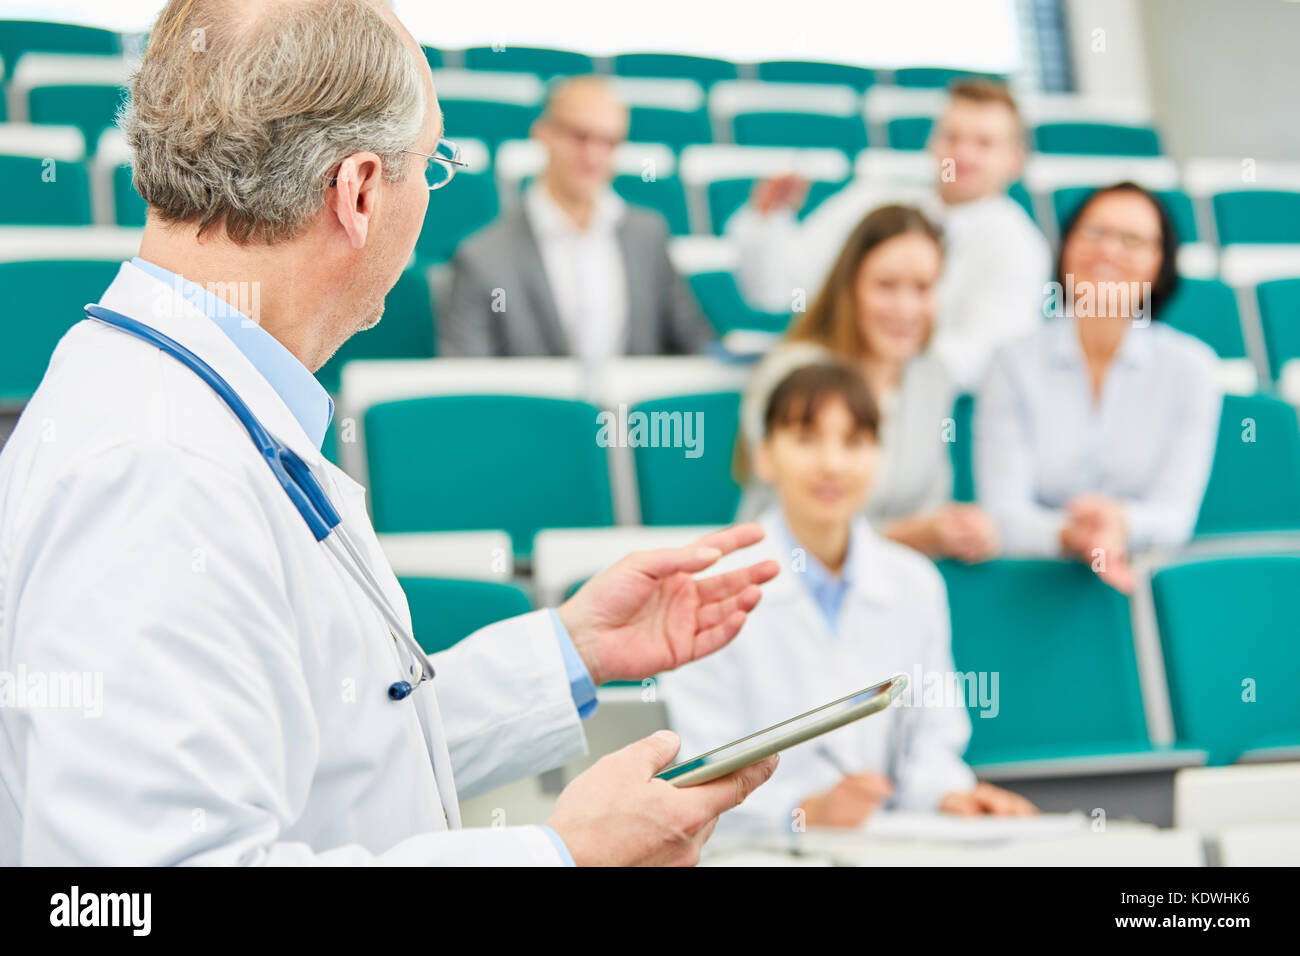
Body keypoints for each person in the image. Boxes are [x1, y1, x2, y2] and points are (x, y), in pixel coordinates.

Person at [0, 0, 782, 867]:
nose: (431, 193)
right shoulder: (158, 473)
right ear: (361, 191)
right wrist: (562, 856)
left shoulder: (185, 418)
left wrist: (571, 650)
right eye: (432, 166)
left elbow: (339, 751)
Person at [663, 361, 1035, 831]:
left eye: (855, 442)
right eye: (806, 439)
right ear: (764, 456)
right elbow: (700, 771)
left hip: (884, 845)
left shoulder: (914, 583)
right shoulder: (714, 589)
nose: (833, 464)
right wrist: (800, 811)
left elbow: (933, 740)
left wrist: (950, 796)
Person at [976, 182, 1222, 594]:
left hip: (1142, 583)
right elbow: (1001, 512)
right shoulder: (1011, 363)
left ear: (1159, 264)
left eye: (1132, 240)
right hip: (1027, 585)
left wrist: (1120, 524)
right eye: (1094, 232)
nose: (1109, 251)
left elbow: (1175, 516)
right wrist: (1077, 537)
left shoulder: (1192, 369)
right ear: (1066, 247)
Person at [727, 80, 1049, 390]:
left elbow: (986, 358)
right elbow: (776, 290)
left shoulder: (1020, 247)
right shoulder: (871, 202)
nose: (962, 156)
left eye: (984, 143)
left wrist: (874, 370)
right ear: (932, 144)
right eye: (952, 138)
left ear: (1014, 160)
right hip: (835, 397)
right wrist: (770, 220)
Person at [738, 204, 998, 564]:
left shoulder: (932, 377)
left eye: (922, 288)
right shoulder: (794, 373)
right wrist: (908, 536)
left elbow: (930, 501)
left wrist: (957, 531)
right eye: (886, 286)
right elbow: (799, 526)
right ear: (850, 287)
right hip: (781, 578)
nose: (905, 308)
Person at [439, 74, 712, 363]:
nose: (593, 155)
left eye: (609, 142)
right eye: (580, 136)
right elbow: (468, 382)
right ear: (544, 134)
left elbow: (696, 340)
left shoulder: (650, 236)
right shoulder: (482, 257)